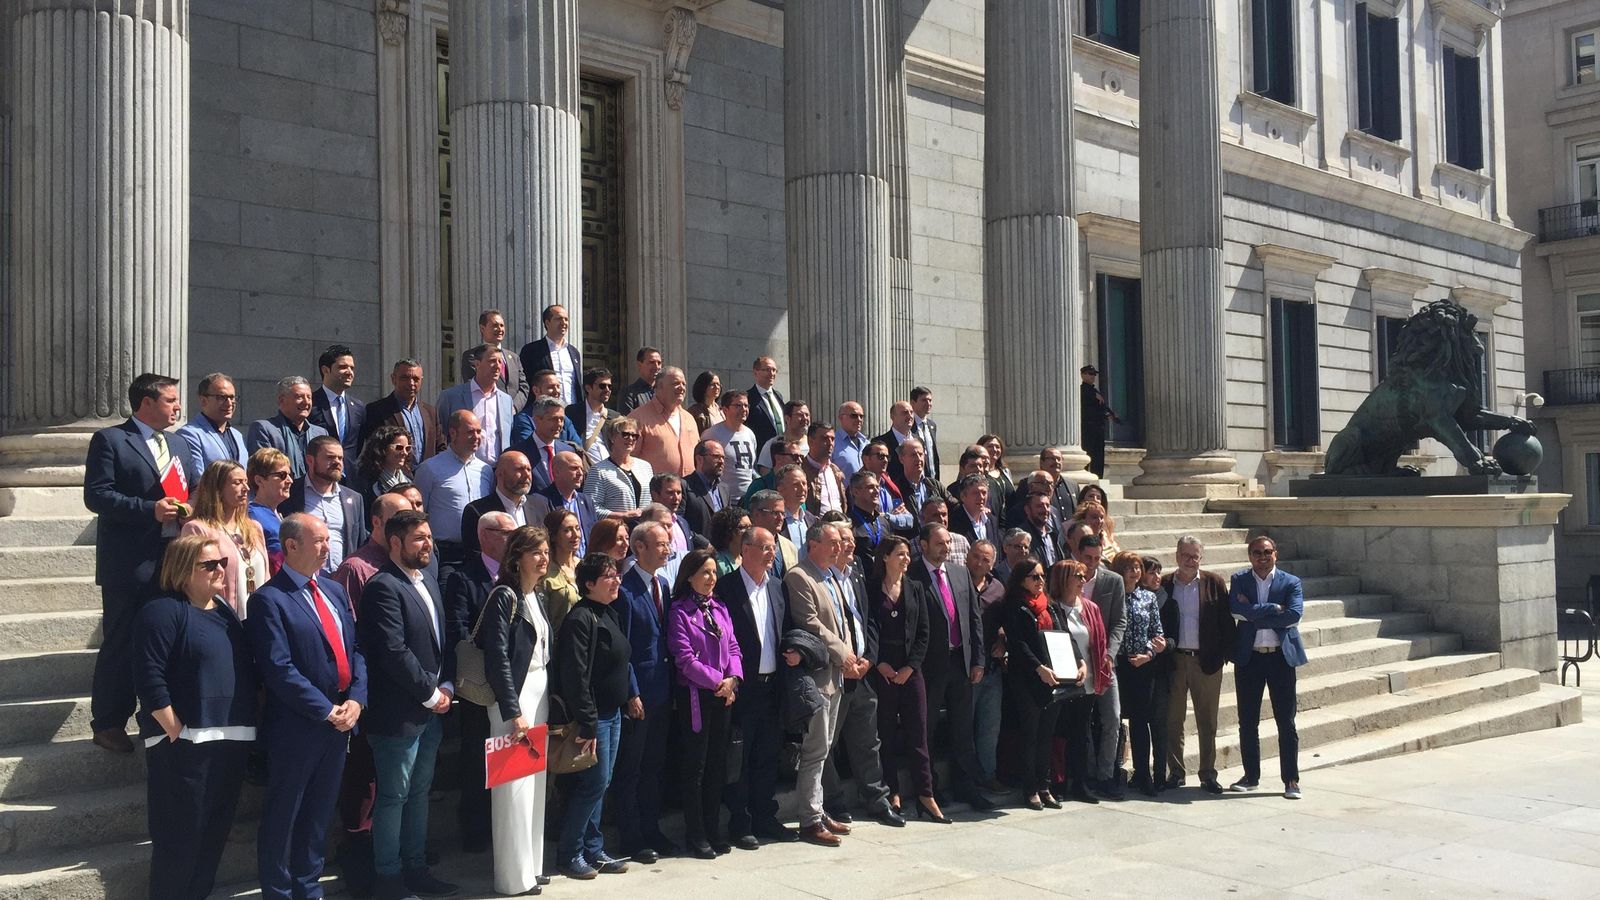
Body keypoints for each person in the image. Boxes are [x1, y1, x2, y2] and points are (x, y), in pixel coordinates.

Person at [246, 514, 367, 900]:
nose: (326, 547)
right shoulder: (269, 599)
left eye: (327, 540)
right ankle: (279, 893)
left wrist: (356, 700)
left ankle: (308, 889)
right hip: (297, 728)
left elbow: (356, 649)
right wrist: (326, 710)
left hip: (340, 723)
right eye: (318, 541)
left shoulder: (333, 591)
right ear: (291, 545)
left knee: (318, 815)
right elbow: (278, 667)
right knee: (284, 816)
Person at [134, 534, 257, 900]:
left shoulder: (225, 612)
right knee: (180, 843)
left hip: (230, 742)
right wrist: (175, 729)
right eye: (210, 565)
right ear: (183, 570)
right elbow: (149, 676)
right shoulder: (162, 611)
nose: (220, 569)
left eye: (223, 562)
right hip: (185, 747)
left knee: (212, 840)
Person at [84, 373, 199, 753]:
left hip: (174, 560)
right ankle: (108, 722)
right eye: (170, 400)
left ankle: (156, 717)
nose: (177, 407)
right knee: (122, 641)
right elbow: (98, 496)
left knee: (165, 641)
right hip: (131, 563)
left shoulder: (179, 444)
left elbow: (193, 487)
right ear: (146, 403)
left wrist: (190, 508)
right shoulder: (112, 440)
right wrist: (149, 509)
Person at [358, 510, 457, 899]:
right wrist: (431, 694)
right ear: (395, 543)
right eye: (419, 538)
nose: (427, 544)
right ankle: (389, 877)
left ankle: (416, 869)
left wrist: (446, 683)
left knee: (419, 792)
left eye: (429, 537)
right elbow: (393, 651)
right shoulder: (383, 586)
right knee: (394, 796)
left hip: (431, 709)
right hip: (399, 714)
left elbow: (441, 640)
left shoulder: (428, 580)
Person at [552, 553, 637, 879]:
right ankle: (570, 853)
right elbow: (575, 676)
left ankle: (593, 848)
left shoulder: (609, 613)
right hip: (593, 719)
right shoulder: (580, 619)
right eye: (608, 577)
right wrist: (587, 722)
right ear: (589, 584)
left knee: (602, 784)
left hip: (612, 714)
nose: (617, 581)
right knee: (592, 784)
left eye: (617, 575)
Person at [481, 525, 556, 895]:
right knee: (513, 788)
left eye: (546, 551)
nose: (543, 558)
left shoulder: (535, 595)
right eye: (536, 552)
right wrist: (513, 711)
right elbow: (497, 657)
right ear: (517, 557)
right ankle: (512, 878)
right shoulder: (504, 595)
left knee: (535, 785)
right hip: (515, 698)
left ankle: (531, 867)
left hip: (539, 693)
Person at [715, 527, 795, 848]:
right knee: (741, 757)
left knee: (767, 756)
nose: (771, 553)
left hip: (772, 686)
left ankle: (765, 816)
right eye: (764, 547)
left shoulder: (776, 586)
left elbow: (786, 629)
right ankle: (740, 821)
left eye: (773, 547)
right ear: (745, 550)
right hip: (742, 688)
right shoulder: (727, 588)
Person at [821, 526, 903, 829]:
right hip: (836, 672)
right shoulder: (821, 577)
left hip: (862, 672)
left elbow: (868, 621)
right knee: (827, 743)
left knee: (868, 741)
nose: (850, 545)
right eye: (843, 541)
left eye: (852, 541)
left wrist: (869, 657)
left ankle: (877, 801)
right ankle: (834, 801)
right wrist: (844, 660)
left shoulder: (856, 575)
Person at [445, 510, 516, 853]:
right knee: (477, 758)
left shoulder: (516, 576)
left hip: (515, 682)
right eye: (507, 534)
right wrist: (493, 658)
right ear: (485, 536)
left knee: (511, 757)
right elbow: (458, 627)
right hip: (481, 685)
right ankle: (476, 830)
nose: (513, 541)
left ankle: (508, 831)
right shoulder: (464, 578)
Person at [907, 524, 992, 810]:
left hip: (960, 661)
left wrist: (978, 659)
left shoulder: (959, 572)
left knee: (962, 728)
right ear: (923, 545)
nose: (946, 548)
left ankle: (965, 785)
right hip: (929, 665)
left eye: (948, 543)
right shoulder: (912, 575)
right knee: (927, 727)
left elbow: (973, 618)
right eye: (939, 543)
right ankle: (929, 788)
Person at [667, 548, 743, 858]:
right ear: (689, 577)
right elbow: (684, 659)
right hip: (696, 696)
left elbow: (734, 647)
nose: (711, 578)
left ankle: (713, 829)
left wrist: (733, 679)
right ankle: (696, 834)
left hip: (724, 695)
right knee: (696, 766)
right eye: (705, 573)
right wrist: (717, 681)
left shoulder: (719, 607)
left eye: (713, 572)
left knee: (717, 765)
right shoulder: (680, 612)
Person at [784, 523, 856, 846]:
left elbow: (842, 621)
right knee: (814, 750)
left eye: (840, 542)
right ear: (812, 544)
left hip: (836, 675)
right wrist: (843, 653)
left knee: (824, 748)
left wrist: (852, 654)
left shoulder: (830, 577)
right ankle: (810, 820)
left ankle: (818, 808)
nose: (838, 548)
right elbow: (811, 624)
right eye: (832, 542)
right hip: (818, 677)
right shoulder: (800, 577)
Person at [867, 536, 947, 823]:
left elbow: (924, 632)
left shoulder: (915, 588)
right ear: (885, 557)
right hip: (883, 669)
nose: (905, 559)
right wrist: (879, 663)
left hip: (911, 669)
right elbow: (868, 627)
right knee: (886, 732)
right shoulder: (871, 588)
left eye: (907, 554)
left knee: (918, 733)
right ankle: (892, 791)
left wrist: (910, 667)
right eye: (899, 554)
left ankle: (926, 794)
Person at [611, 521, 678, 863]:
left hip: (662, 689)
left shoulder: (661, 584)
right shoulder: (625, 591)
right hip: (639, 693)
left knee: (654, 765)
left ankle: (652, 829)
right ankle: (631, 835)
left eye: (668, 543)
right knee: (632, 768)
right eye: (660, 544)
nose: (667, 549)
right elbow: (622, 649)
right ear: (640, 548)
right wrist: (631, 692)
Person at [1230, 535, 1306, 800]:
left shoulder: (1291, 582)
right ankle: (1251, 776)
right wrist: (1274, 608)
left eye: (1267, 552)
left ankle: (1291, 780)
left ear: (1276, 554)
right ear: (1250, 556)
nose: (1262, 557)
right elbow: (1235, 610)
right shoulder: (1239, 580)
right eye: (1257, 553)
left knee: (1286, 721)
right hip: (1249, 658)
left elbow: (1293, 615)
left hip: (1280, 658)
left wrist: (1253, 613)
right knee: (1247, 721)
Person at [1160, 535, 1234, 793]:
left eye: (1195, 556)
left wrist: (1224, 654)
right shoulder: (1165, 584)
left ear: (1201, 557)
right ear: (1176, 555)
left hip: (1206, 661)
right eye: (1185, 555)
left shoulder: (1214, 582)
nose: (1190, 560)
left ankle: (1208, 774)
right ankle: (1176, 772)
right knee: (1173, 719)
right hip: (1175, 660)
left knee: (1208, 720)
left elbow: (1226, 622)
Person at [999, 558, 1074, 811]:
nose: (1040, 581)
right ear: (1022, 580)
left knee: (1046, 735)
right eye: (1034, 577)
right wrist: (1038, 668)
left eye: (1042, 576)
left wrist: (1079, 662)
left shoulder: (1049, 605)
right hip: (1027, 678)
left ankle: (1045, 786)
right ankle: (1030, 789)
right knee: (1030, 735)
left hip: (1053, 678)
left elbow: (1064, 636)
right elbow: (1017, 643)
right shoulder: (1015, 606)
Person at [1046, 559, 1111, 804]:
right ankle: (1059, 782)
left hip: (1087, 681)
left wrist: (1101, 673)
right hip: (1061, 682)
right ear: (1064, 579)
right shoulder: (1052, 608)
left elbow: (1100, 642)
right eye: (1078, 576)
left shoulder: (1090, 608)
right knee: (1060, 733)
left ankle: (1081, 784)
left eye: (1084, 576)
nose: (1083, 581)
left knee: (1081, 733)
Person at [1070, 529, 1128, 799]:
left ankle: (1105, 775)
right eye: (1088, 558)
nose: (1092, 563)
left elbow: (1119, 622)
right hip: (1078, 661)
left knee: (1112, 717)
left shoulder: (1113, 581)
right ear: (1078, 554)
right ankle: (1088, 773)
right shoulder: (1068, 577)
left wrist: (1110, 654)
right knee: (1082, 721)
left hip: (1105, 662)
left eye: (1097, 558)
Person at [1108, 552, 1169, 796]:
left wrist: (1148, 654)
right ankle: (1111, 773)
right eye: (1129, 567)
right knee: (1114, 719)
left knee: (1140, 721)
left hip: (1143, 666)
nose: (1134, 572)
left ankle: (1143, 774)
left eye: (1137, 567)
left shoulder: (1148, 597)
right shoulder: (1112, 596)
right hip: (1117, 665)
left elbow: (1157, 632)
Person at [181, 460, 270, 614]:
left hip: (259, 617)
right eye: (237, 483)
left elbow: (267, 577)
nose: (246, 488)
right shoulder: (197, 529)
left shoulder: (254, 527)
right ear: (217, 488)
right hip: (222, 618)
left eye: (246, 482)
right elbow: (195, 584)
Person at [413, 410, 494, 576]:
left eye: (479, 431)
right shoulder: (430, 469)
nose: (476, 437)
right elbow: (418, 514)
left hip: (480, 553)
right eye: (470, 432)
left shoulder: (485, 470)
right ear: (453, 433)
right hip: (446, 554)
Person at [285, 436, 368, 573]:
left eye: (340, 458)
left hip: (342, 578)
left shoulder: (354, 498)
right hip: (304, 576)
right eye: (330, 457)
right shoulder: (291, 493)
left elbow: (360, 542)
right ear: (310, 460)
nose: (337, 462)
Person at [966, 539, 1007, 792]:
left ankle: (988, 774)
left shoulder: (998, 588)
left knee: (990, 727)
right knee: (965, 727)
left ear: (992, 564)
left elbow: (1004, 623)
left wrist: (1003, 641)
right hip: (965, 668)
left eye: (986, 559)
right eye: (976, 556)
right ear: (967, 556)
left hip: (992, 669)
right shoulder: (957, 582)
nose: (979, 563)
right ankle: (967, 778)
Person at [330, 492, 411, 617]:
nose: (406, 526)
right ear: (376, 522)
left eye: (409, 520)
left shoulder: (412, 560)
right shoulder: (354, 568)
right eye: (398, 520)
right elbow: (345, 620)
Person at [362, 358, 444, 473]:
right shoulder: (377, 410)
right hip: (393, 478)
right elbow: (375, 449)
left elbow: (440, 446)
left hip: (428, 477)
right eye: (404, 378)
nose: (411, 383)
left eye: (415, 379)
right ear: (393, 379)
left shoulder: (431, 412)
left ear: (421, 381)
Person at [439, 344, 515, 466]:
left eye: (500, 362)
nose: (497, 366)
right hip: (462, 467)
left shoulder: (506, 400)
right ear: (477, 364)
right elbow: (441, 434)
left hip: (497, 469)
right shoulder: (451, 397)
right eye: (492, 361)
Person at [248, 376, 329, 482]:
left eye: (309, 397)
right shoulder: (264, 429)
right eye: (299, 397)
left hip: (314, 491)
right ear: (281, 400)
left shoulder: (320, 434)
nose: (306, 402)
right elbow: (263, 470)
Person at [629, 365, 698, 477]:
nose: (681, 388)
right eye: (676, 383)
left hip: (689, 486)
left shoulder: (689, 418)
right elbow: (628, 458)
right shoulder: (637, 418)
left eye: (684, 384)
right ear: (659, 387)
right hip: (654, 487)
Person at [461, 450, 533, 558]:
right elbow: (475, 555)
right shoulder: (477, 511)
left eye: (529, 469)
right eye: (519, 469)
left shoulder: (540, 505)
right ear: (500, 473)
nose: (526, 475)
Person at [527, 450, 600, 550]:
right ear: (556, 472)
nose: (580, 473)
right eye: (574, 468)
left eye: (581, 469)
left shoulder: (587, 501)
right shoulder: (539, 501)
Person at [309, 344, 367, 465]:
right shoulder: (310, 404)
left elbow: (357, 445)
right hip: (319, 471)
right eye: (343, 367)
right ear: (325, 370)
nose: (349, 372)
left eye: (352, 368)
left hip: (349, 474)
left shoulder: (358, 407)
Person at [178, 372, 249, 472]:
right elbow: (197, 477)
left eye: (232, 397)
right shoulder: (189, 434)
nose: (229, 403)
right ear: (203, 401)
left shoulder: (238, 436)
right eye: (222, 397)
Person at [584, 417, 654, 519]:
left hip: (644, 526)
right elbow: (590, 508)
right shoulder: (598, 471)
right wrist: (622, 516)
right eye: (626, 434)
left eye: (634, 436)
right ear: (612, 437)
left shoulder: (645, 467)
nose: (631, 438)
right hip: (615, 527)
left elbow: (653, 500)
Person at [462, 309, 530, 411]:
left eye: (502, 325)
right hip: (488, 411)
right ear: (482, 328)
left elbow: (523, 386)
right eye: (495, 325)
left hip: (514, 414)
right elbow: (473, 384)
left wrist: (514, 407)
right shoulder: (472, 356)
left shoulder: (514, 357)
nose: (500, 329)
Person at [511, 396, 580, 491]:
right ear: (537, 420)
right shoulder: (518, 453)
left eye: (562, 419)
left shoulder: (568, 451)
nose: (559, 424)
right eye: (554, 419)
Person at [520, 304, 581, 406]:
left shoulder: (574, 352)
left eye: (566, 319)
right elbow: (525, 383)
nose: (564, 323)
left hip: (572, 411)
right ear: (547, 323)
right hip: (544, 410)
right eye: (559, 319)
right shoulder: (531, 350)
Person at [704, 389, 758, 501]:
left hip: (747, 500)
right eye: (738, 405)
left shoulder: (750, 434)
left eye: (746, 405)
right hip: (724, 500)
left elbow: (751, 468)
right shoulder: (712, 434)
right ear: (725, 409)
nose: (744, 409)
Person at [248, 448, 293, 573]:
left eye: (290, 475)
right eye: (282, 475)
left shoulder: (279, 515)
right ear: (259, 480)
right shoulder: (252, 514)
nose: (290, 481)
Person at [540, 509, 585, 635]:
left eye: (577, 528)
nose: (576, 535)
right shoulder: (544, 572)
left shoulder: (584, 565)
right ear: (553, 536)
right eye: (567, 530)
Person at [568, 367, 621, 465]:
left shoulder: (615, 417)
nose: (607, 390)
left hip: (609, 468)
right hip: (582, 467)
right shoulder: (572, 412)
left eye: (609, 386)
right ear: (588, 388)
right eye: (602, 386)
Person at [356, 425, 415, 509]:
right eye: (399, 447)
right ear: (382, 448)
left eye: (407, 448)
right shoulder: (366, 483)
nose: (405, 453)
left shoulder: (409, 480)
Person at [682, 438, 727, 537]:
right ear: (699, 459)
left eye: (723, 457)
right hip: (696, 546)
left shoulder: (724, 489)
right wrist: (703, 543)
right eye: (716, 456)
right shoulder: (684, 486)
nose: (721, 461)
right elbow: (679, 525)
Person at [1080, 365, 1118, 479]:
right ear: (1083, 375)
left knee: (1098, 456)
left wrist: (1109, 414)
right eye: (1090, 374)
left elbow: (1101, 407)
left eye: (1094, 374)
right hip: (1088, 427)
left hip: (1098, 427)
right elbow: (1087, 409)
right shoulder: (1082, 390)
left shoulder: (1095, 391)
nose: (1093, 377)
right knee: (1087, 453)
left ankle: (1097, 478)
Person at [740, 439, 802, 507]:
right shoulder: (759, 486)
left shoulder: (801, 488)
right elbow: (749, 512)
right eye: (795, 457)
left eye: (801, 457)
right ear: (778, 458)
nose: (800, 461)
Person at [802, 423, 846, 515]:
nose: (830, 443)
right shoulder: (801, 471)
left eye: (832, 439)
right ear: (810, 441)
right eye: (825, 438)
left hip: (840, 522)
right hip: (815, 523)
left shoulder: (835, 470)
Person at [744, 356, 786, 451]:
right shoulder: (748, 397)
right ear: (756, 372)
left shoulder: (778, 396)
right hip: (761, 451)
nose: (772, 374)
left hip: (782, 451)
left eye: (774, 370)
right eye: (767, 370)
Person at [757, 399, 811, 472]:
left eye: (807, 415)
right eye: (800, 415)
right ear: (787, 418)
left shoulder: (813, 444)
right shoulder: (772, 444)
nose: (805, 418)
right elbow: (764, 472)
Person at [873, 401, 916, 487]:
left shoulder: (919, 441)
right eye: (905, 413)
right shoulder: (879, 443)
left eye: (911, 412)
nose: (910, 416)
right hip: (892, 490)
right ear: (893, 417)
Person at [948, 474, 998, 547]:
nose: (981, 497)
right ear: (963, 496)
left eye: (984, 493)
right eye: (975, 493)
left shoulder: (991, 520)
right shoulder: (953, 522)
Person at [1019, 492, 1064, 567]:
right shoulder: (1021, 537)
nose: (1045, 510)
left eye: (1047, 506)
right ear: (1027, 510)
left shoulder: (1054, 534)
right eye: (1039, 506)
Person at [616, 346, 663, 414]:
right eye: (652, 362)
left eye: (659, 363)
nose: (657, 367)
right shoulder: (628, 394)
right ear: (639, 365)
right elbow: (627, 419)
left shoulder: (665, 391)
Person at [831, 401, 870, 480]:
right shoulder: (832, 442)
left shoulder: (866, 443)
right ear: (841, 418)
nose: (859, 419)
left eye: (861, 416)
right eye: (854, 416)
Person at [977, 433, 1015, 516]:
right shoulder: (978, 472)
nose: (994, 449)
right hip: (990, 518)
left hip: (1009, 518)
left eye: (997, 447)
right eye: (990, 446)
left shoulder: (1005, 472)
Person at [908, 386, 940, 477]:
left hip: (932, 479)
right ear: (913, 403)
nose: (928, 403)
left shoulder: (932, 425)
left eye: (930, 400)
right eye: (924, 400)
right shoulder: (908, 425)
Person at [709, 506, 750, 576]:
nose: (749, 531)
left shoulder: (747, 558)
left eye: (750, 527)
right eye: (743, 527)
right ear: (728, 530)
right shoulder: (718, 563)